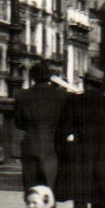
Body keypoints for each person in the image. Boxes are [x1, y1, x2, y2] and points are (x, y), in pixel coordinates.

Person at [55, 64, 105, 208]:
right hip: (104, 151)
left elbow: (63, 129)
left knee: (80, 185)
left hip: (80, 150)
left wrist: (65, 148)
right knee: (101, 186)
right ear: (100, 85)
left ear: (86, 84)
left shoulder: (74, 101)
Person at [13, 60, 67, 191]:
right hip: (53, 144)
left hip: (31, 142)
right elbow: (65, 122)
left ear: (32, 78)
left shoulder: (21, 95)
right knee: (51, 185)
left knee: (31, 186)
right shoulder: (62, 95)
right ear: (49, 77)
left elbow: (18, 122)